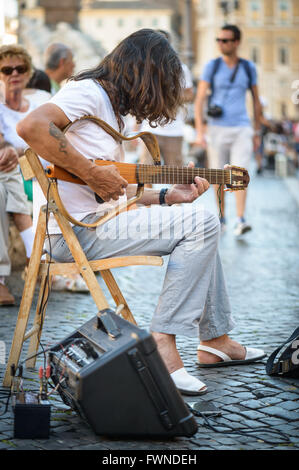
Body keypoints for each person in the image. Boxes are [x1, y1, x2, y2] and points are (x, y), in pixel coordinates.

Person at [17, 29, 265, 396]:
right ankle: (164, 342)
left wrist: (167, 196)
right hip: (73, 233)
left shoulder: (110, 110)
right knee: (203, 224)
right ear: (144, 73)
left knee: (199, 224)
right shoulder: (88, 93)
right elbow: (31, 127)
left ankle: (216, 339)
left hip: (98, 221)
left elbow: (111, 190)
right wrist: (90, 173)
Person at [194, 24, 262, 236]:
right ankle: (222, 216)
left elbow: (256, 100)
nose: (221, 44)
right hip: (216, 128)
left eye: (225, 40)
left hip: (242, 126)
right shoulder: (212, 67)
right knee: (218, 175)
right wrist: (199, 131)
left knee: (240, 173)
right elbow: (199, 99)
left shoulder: (248, 68)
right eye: (219, 40)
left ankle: (241, 219)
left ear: (236, 42)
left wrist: (257, 130)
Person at [0, 44, 35, 305]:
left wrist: (17, 150)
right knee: (7, 183)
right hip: (19, 173)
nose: (14, 73)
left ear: (28, 72)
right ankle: (40, 260)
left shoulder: (38, 104)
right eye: (6, 69)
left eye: (20, 68)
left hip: (40, 172)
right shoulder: (0, 108)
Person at [139, 30, 194, 167]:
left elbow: (189, 95)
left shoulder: (181, 69)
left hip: (174, 130)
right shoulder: (145, 69)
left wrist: (168, 97)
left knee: (176, 175)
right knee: (145, 174)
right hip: (149, 131)